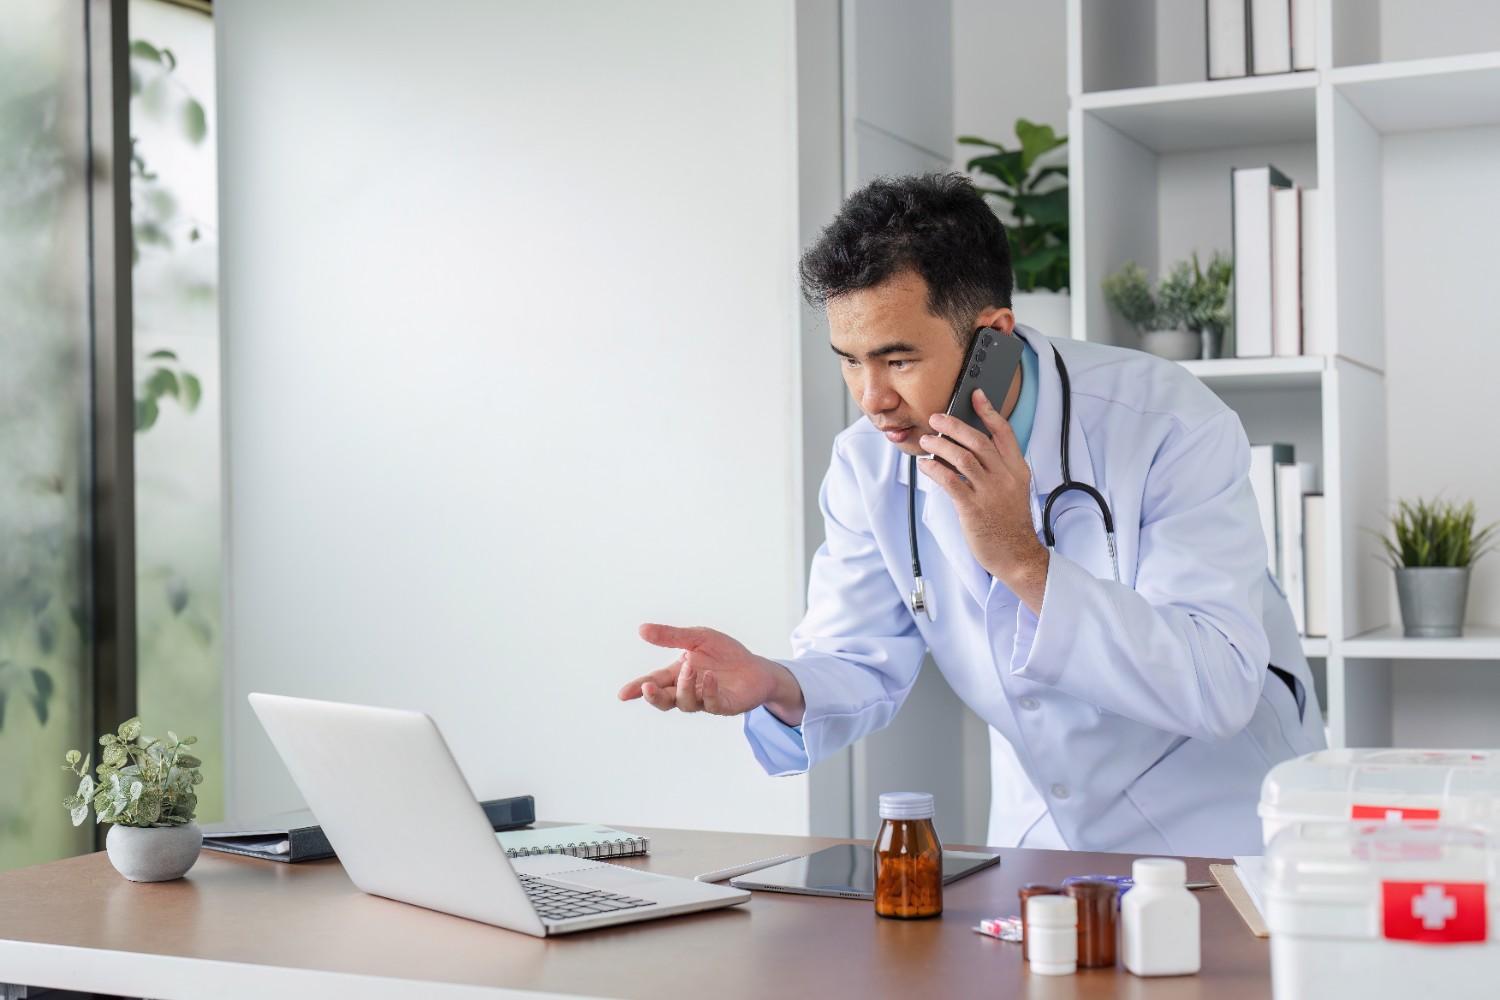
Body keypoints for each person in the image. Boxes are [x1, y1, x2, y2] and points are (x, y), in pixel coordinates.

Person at [618, 173, 1324, 856]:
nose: (871, 397)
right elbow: (860, 659)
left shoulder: (1167, 423)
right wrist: (773, 680)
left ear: (994, 335)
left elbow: (1218, 684)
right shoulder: (870, 462)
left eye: (897, 360)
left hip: (1217, 827)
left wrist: (1023, 559)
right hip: (1041, 835)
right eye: (850, 361)